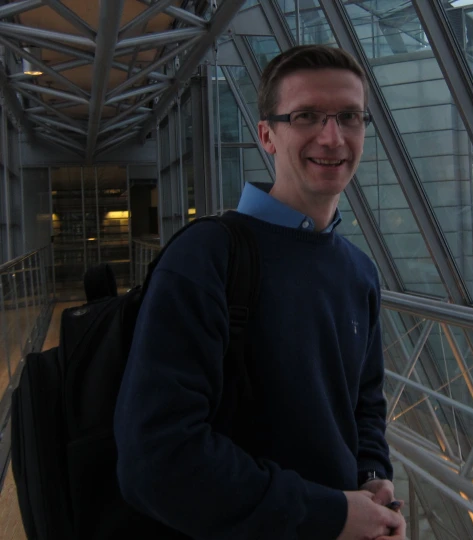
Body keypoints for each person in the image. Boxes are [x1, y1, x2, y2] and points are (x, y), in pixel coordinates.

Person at [114, 45, 406, 540]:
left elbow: (364, 405)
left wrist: (371, 476)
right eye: (307, 116)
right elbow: (157, 458)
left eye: (350, 117)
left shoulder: (359, 272)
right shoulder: (206, 257)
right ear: (267, 135)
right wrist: (328, 513)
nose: (332, 137)